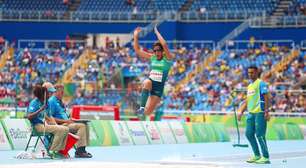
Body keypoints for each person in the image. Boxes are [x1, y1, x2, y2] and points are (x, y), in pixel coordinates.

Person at [133, 25, 174, 120]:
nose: (156, 52)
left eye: (159, 50)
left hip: (158, 89)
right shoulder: (153, 57)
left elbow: (164, 44)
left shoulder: (167, 59)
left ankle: (145, 110)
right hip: (150, 83)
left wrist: (157, 33)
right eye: (155, 51)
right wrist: (135, 36)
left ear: (163, 51)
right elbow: (138, 50)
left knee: (147, 113)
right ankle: (141, 107)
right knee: (147, 82)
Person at [44, 82, 92, 158]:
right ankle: (79, 151)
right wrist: (66, 121)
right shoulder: (52, 101)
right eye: (61, 92)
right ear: (55, 92)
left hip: (67, 123)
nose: (63, 94)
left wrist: (71, 119)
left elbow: (64, 115)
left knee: (85, 124)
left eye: (63, 92)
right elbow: (50, 118)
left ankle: (83, 149)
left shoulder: (60, 102)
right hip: (61, 125)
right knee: (81, 126)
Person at [238, 66, 271, 164]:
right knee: (248, 134)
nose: (250, 74)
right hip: (251, 114)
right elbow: (248, 100)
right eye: (249, 72)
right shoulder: (249, 86)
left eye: (252, 72)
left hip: (260, 113)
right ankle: (257, 155)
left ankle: (265, 157)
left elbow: (266, 97)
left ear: (257, 72)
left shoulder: (261, 83)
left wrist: (267, 111)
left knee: (260, 135)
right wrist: (241, 111)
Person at [26, 84, 69, 157]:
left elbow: (49, 116)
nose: (51, 95)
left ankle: (60, 151)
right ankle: (52, 151)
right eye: (50, 93)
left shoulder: (47, 102)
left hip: (44, 125)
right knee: (61, 130)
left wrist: (55, 125)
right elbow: (29, 117)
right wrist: (40, 110)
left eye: (52, 93)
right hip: (36, 127)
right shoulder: (35, 102)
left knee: (65, 129)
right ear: (45, 93)